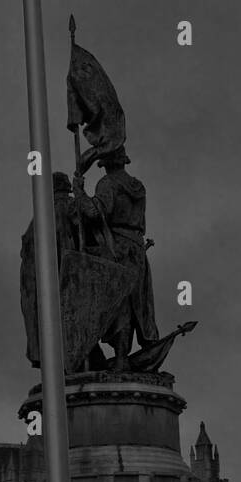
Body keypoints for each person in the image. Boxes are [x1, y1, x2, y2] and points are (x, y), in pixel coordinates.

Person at [70, 147, 158, 369]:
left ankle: (121, 358)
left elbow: (94, 212)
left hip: (116, 248)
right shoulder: (138, 186)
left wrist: (78, 191)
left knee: (120, 304)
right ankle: (143, 347)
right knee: (139, 302)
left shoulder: (108, 184)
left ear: (105, 163)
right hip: (137, 248)